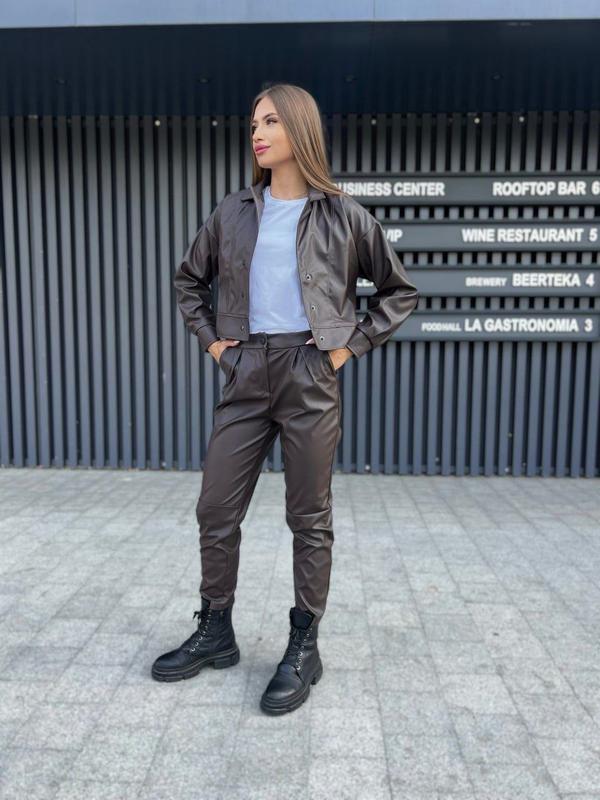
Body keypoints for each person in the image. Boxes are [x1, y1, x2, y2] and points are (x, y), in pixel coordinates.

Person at [151, 83, 419, 715]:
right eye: (253, 124)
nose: (257, 133)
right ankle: (216, 629)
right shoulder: (234, 212)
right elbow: (189, 281)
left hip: (309, 371)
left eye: (270, 122)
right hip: (245, 371)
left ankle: (304, 645)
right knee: (216, 507)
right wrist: (216, 346)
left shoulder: (343, 215)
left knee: (309, 517)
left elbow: (398, 292)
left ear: (300, 130)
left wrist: (345, 350)